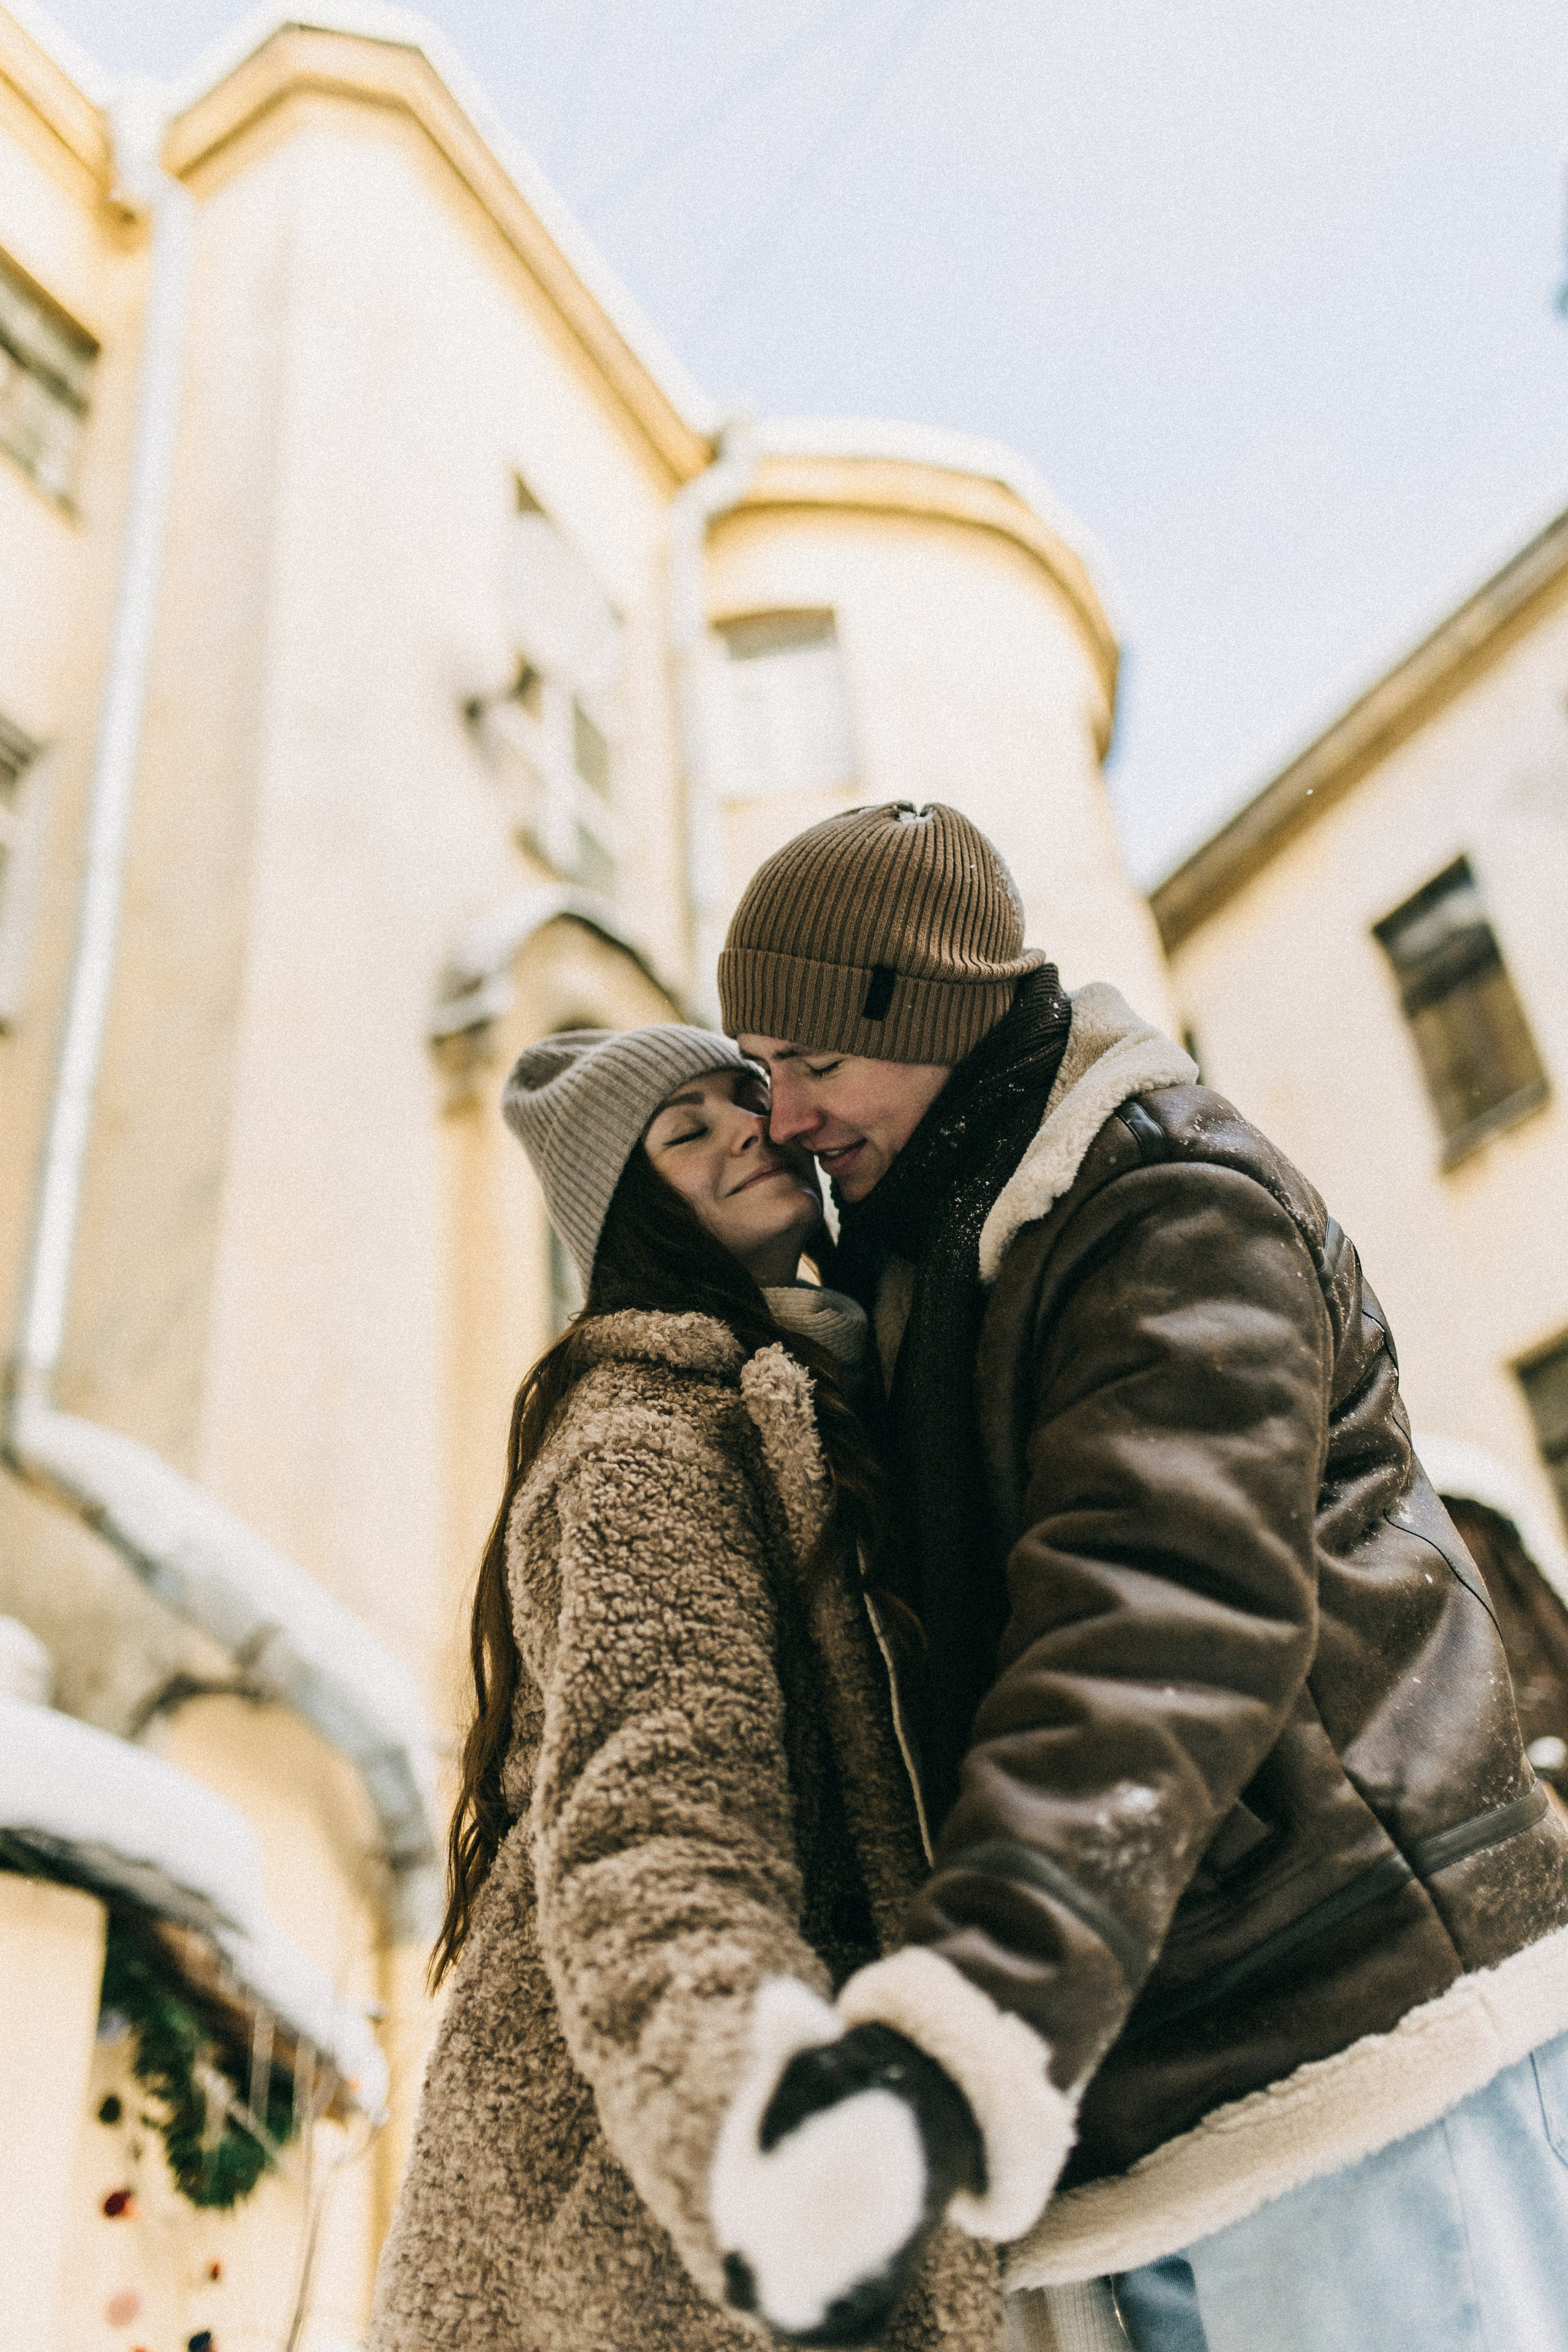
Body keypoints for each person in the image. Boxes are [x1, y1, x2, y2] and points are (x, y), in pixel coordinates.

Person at [709, 801, 1568, 2352]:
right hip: (1161, 2093)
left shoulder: (1162, 1204)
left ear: (939, 1011)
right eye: (760, 1069)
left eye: (814, 1059)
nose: (781, 1115)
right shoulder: (936, 1257)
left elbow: (1159, 1613)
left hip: (1356, 2052)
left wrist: (960, 2029)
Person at [369, 1023, 1051, 2352]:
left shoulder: (828, 1387)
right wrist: (760, 2116)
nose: (746, 1125)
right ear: (633, 1220)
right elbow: (655, 1810)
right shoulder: (646, 1435)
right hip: (647, 2201)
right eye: (684, 1134)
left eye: (742, 1098)